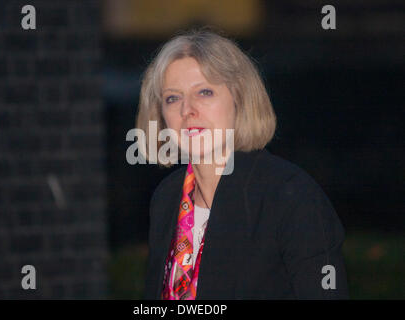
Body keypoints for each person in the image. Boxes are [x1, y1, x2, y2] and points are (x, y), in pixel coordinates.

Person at [136, 29, 349, 299]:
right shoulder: (167, 198)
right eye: (172, 98)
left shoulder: (289, 196)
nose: (186, 109)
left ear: (239, 99)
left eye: (204, 92)